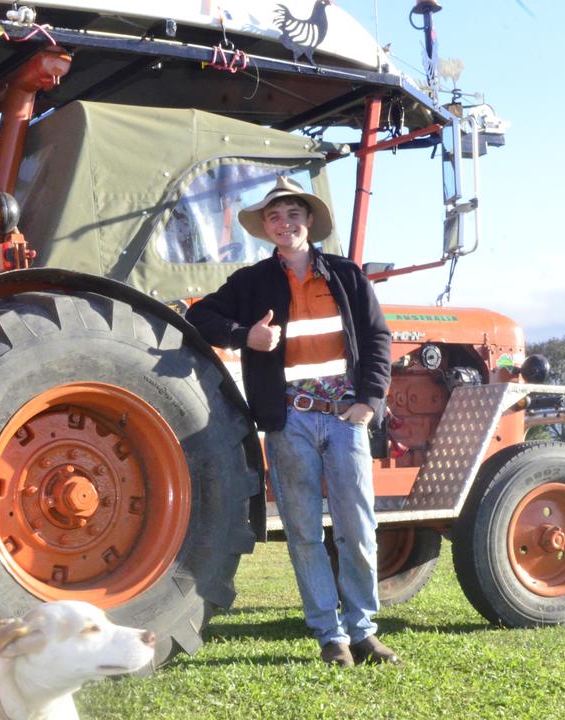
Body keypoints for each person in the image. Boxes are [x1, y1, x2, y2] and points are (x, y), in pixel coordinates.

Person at [186, 176, 396, 666]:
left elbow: (378, 339)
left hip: (344, 417)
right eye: (275, 217)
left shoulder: (346, 275)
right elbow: (201, 318)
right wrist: (244, 337)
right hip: (288, 421)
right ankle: (331, 637)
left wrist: (369, 401)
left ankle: (363, 630)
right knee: (303, 531)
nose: (285, 223)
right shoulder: (251, 283)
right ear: (266, 227)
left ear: (308, 220)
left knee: (358, 528)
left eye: (293, 214)